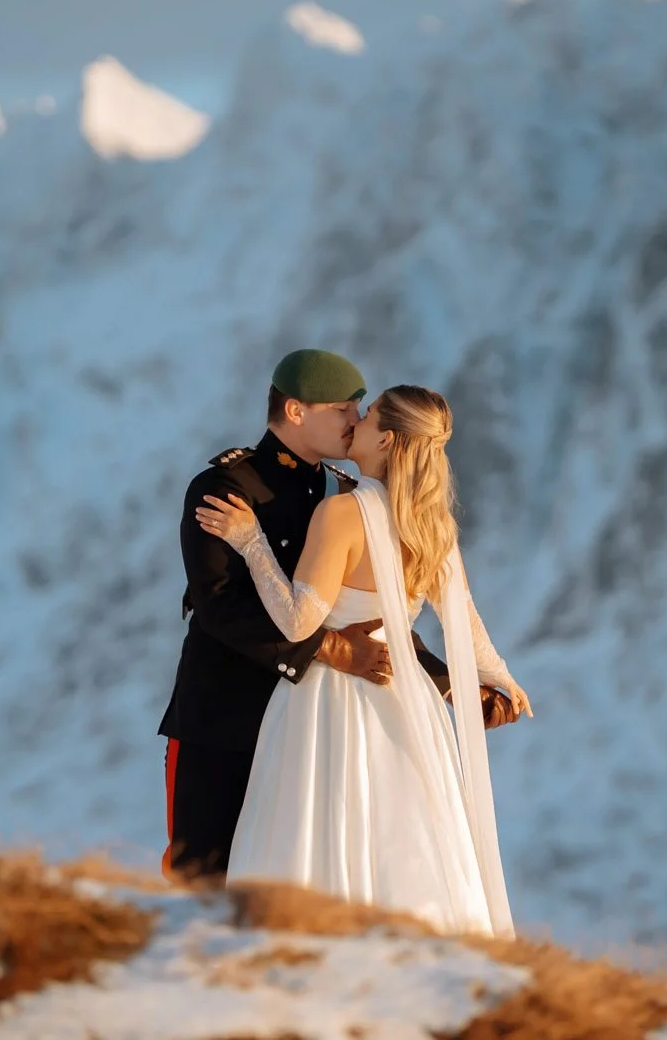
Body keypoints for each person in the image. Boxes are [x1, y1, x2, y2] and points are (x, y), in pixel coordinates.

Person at [195, 383, 530, 936]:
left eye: (369, 414)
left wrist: (251, 541)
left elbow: (299, 621)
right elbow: (464, 624)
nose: (357, 421)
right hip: (406, 704)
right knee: (404, 837)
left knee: (315, 830)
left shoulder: (343, 513)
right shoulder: (433, 525)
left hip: (326, 699)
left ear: (390, 438)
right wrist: (503, 679)